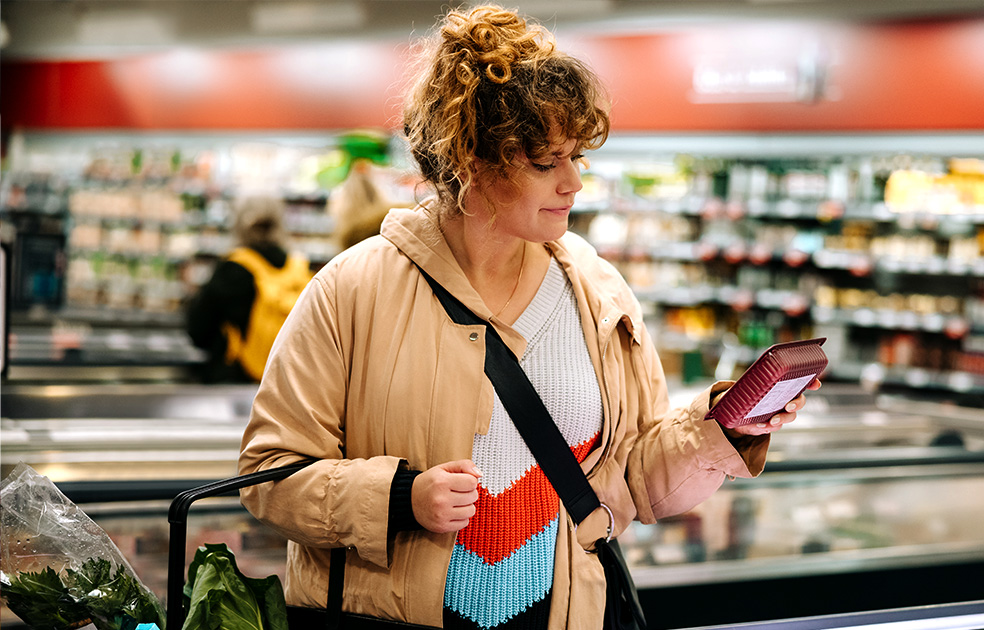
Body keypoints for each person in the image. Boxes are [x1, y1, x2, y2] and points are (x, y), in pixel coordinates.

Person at [238, 5, 818, 629]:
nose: (574, 182)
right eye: (546, 162)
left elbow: (633, 477)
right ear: (470, 162)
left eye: (576, 156)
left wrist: (723, 427)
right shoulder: (352, 291)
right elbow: (269, 475)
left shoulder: (598, 295)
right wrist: (400, 498)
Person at [186, 193, 312, 382]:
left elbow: (198, 330)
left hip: (237, 381)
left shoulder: (233, 269)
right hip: (286, 382)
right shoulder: (299, 267)